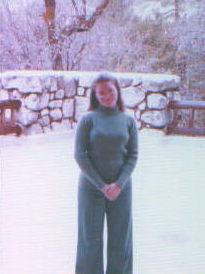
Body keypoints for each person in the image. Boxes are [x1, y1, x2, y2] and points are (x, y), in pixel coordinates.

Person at [75, 73, 139, 274]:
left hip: (122, 190)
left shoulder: (128, 121)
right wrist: (102, 186)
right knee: (90, 242)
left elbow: (133, 155)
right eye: (101, 93)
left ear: (117, 90)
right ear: (95, 96)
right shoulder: (88, 120)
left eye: (110, 90)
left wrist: (118, 184)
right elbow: (80, 155)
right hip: (91, 190)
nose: (107, 95)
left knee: (121, 242)